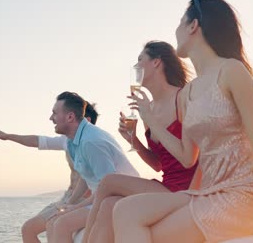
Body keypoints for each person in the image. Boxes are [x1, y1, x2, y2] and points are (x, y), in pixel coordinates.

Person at [112, 0, 253, 243]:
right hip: (206, 192)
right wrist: (149, 119)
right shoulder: (187, 94)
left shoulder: (231, 72)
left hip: (241, 194)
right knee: (124, 210)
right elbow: (187, 157)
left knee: (149, 233)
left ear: (193, 25)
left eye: (179, 23)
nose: (175, 31)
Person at [81, 41, 198, 243]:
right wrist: (133, 140)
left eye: (140, 60)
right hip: (167, 185)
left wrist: (150, 118)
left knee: (109, 181)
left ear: (156, 62)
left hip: (187, 189)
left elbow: (190, 158)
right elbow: (159, 164)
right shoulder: (148, 109)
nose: (135, 67)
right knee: (109, 204)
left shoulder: (183, 98)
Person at [0, 102, 98, 243]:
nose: (52, 118)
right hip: (68, 197)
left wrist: (73, 205)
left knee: (51, 224)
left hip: (83, 200)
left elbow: (98, 180)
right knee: (28, 229)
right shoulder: (67, 141)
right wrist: (7, 136)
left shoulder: (92, 144)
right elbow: (37, 141)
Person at [44, 91, 139, 243]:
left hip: (120, 198)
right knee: (51, 222)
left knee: (61, 224)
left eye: (55, 113)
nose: (51, 118)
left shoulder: (91, 141)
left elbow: (109, 187)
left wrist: (75, 208)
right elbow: (86, 175)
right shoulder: (73, 139)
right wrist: (70, 203)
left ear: (70, 117)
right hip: (101, 197)